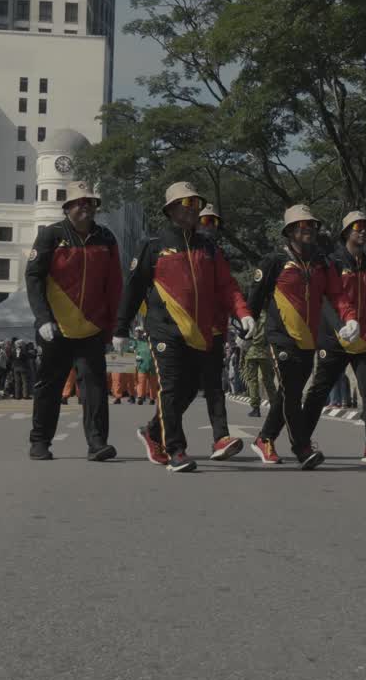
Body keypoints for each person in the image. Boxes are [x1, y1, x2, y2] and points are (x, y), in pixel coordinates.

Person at [115, 182, 253, 472]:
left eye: (195, 204)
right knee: (170, 385)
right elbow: (134, 289)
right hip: (164, 329)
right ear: (171, 210)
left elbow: (227, 285)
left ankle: (153, 433)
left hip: (199, 331)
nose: (192, 210)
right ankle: (176, 449)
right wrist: (120, 328)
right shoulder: (153, 245)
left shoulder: (209, 248)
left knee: (189, 389)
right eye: (186, 204)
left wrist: (242, 312)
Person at [246, 204, 360, 469]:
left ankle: (265, 439)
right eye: (301, 226)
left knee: (291, 392)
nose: (308, 229)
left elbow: (337, 295)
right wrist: (245, 330)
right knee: (292, 393)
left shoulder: (323, 262)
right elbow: (255, 297)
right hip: (281, 337)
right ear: (290, 232)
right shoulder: (274, 261)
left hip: (309, 339)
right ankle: (302, 448)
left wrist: (350, 318)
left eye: (311, 225)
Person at [26, 180, 124, 462]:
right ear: (67, 207)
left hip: (91, 328)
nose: (87, 208)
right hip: (54, 328)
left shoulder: (106, 238)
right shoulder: (50, 235)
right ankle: (40, 441)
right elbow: (33, 277)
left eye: (91, 203)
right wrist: (42, 317)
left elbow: (115, 285)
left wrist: (116, 326)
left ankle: (97, 443)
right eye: (81, 203)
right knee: (49, 385)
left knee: (94, 386)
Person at [300, 211, 366, 462]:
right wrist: (339, 326)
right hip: (335, 339)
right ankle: (302, 441)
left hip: (365, 341)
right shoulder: (331, 263)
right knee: (320, 390)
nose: (363, 231)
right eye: (357, 227)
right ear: (346, 233)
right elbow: (326, 300)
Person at [192, 204, 244, 460]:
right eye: (205, 220)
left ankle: (221, 438)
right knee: (184, 388)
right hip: (186, 330)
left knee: (215, 387)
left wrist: (242, 314)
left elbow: (228, 287)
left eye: (214, 222)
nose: (209, 226)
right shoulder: (182, 248)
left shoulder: (218, 253)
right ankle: (156, 432)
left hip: (214, 330)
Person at [239, 312, 273, 417]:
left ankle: (255, 408)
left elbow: (243, 337)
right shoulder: (269, 316)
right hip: (265, 352)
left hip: (251, 352)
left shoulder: (250, 316)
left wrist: (242, 356)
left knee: (252, 381)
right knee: (268, 380)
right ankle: (275, 405)